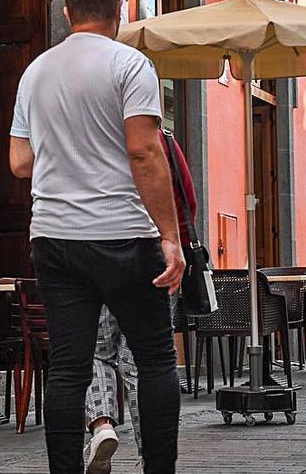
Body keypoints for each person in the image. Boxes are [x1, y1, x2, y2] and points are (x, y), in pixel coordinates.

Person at [8, 0, 185, 473]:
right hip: (123, 233)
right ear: (120, 10)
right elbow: (145, 153)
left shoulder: (35, 72)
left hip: (54, 238)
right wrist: (170, 238)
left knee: (67, 367)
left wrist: (66, 147)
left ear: (66, 12)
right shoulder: (131, 66)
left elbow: (20, 162)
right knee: (154, 360)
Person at [83, 129, 196, 473]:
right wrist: (174, 243)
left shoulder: (92, 138)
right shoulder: (159, 138)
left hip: (98, 254)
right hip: (153, 258)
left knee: (95, 351)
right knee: (146, 362)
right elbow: (186, 199)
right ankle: (153, 453)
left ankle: (102, 425)